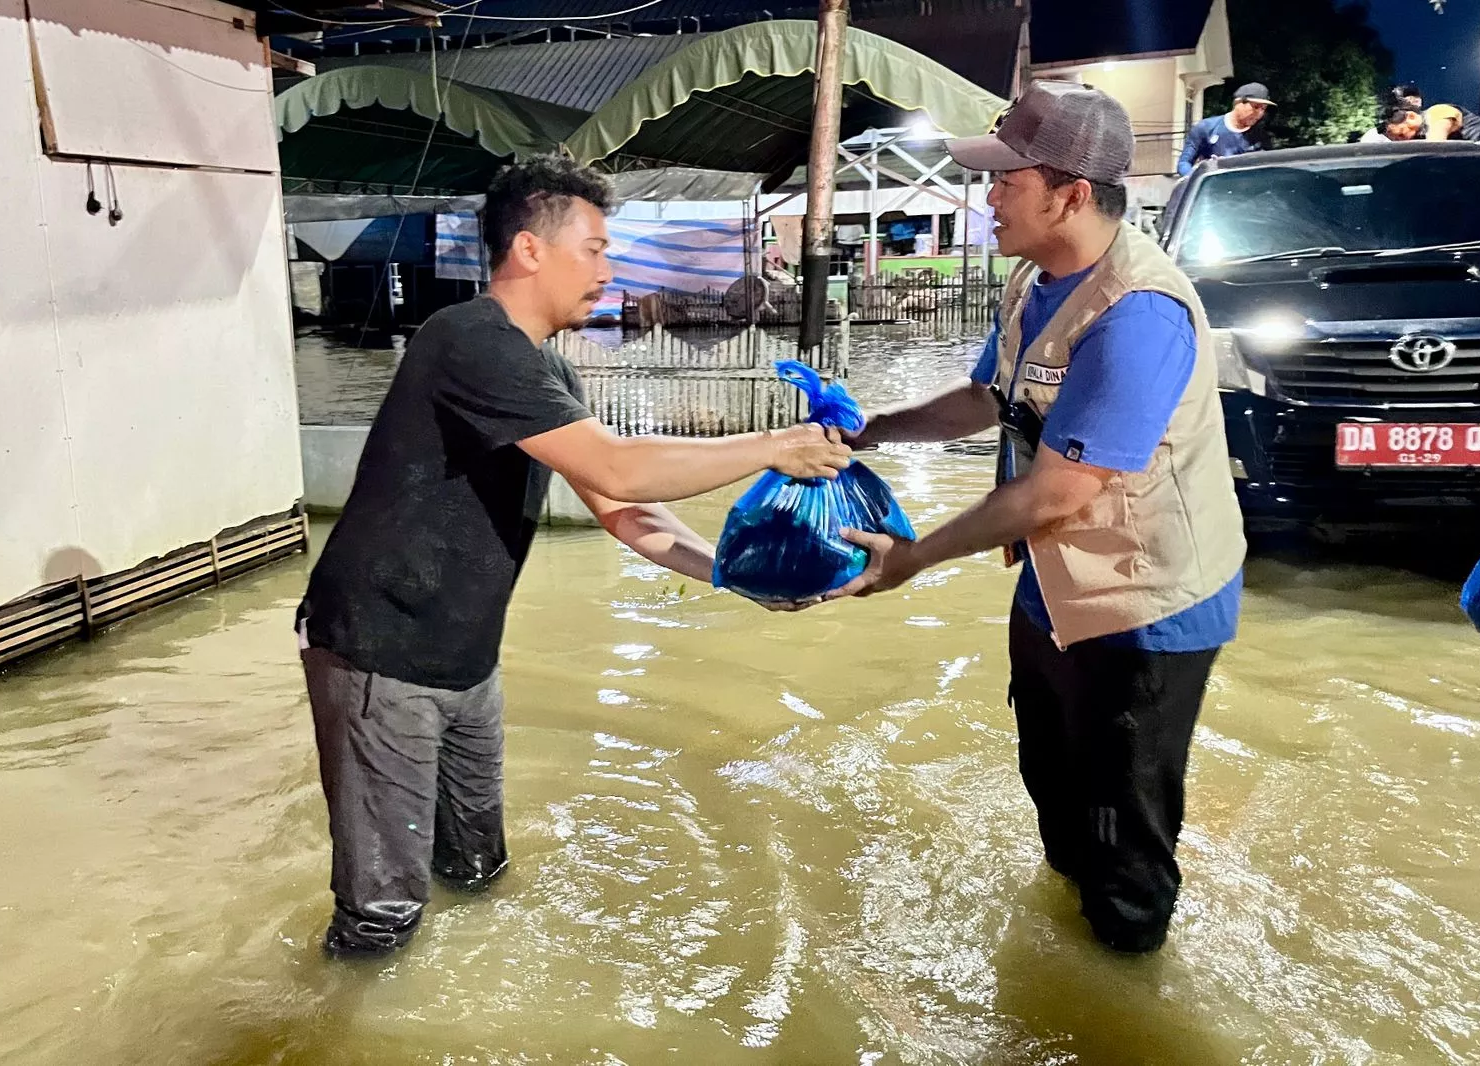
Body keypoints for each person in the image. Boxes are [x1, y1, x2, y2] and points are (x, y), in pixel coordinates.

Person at [296, 155, 851, 958]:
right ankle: (340, 1010)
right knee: (382, 915)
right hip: (378, 652)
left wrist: (734, 572)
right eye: (593, 249)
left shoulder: (546, 367)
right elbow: (618, 467)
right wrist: (773, 446)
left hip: (463, 658)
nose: (607, 270)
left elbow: (623, 511)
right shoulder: (466, 338)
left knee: (477, 871)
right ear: (529, 248)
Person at [830, 81, 1247, 953]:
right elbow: (988, 396)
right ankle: (1063, 946)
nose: (988, 199)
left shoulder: (1139, 313)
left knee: (1121, 834)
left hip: (1144, 608)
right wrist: (872, 430)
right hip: (1053, 588)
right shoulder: (1035, 279)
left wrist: (913, 555)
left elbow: (1058, 492)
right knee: (1055, 787)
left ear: (1070, 194)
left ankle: (1124, 987)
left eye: (1005, 182)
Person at [1384, 100, 1480, 165]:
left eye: (1401, 135)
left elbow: (1435, 146)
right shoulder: (1421, 135)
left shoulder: (1437, 112)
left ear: (1411, 116)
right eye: (1395, 140)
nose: (1401, 142)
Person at [1176, 82, 1274, 175]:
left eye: (1263, 109)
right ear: (1238, 103)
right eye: (1255, 107)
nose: (1259, 113)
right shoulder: (1206, 127)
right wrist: (1199, 177)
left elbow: (1266, 171)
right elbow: (1184, 163)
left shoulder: (1261, 138)